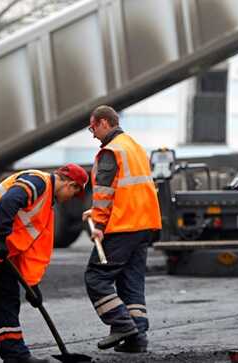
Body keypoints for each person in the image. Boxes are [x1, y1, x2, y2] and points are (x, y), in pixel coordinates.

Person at [0, 164, 89, 363]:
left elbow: (31, 249)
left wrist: (31, 285)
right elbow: (8, 202)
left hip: (2, 250)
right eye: (74, 193)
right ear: (70, 185)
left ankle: (14, 354)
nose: (70, 199)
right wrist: (1, 239)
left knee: (6, 298)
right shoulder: (37, 181)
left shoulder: (47, 206)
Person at [83, 105, 162, 353]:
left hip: (123, 224)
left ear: (104, 123)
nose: (92, 133)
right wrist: (95, 213)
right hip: (143, 223)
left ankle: (122, 324)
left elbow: (105, 194)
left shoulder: (111, 151)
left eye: (92, 127)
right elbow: (129, 189)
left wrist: (98, 225)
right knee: (130, 282)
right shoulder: (134, 146)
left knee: (96, 277)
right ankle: (136, 339)